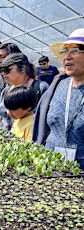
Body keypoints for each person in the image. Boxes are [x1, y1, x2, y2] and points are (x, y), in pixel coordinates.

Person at [33, 28, 84, 169]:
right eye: (64, 51)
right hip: (50, 169)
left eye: (74, 50)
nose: (67, 57)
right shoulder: (59, 85)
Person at [0, 53, 48, 131]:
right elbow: (1, 118)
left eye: (7, 69)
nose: (3, 73)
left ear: (22, 69)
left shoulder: (40, 88)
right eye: (2, 70)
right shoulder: (6, 90)